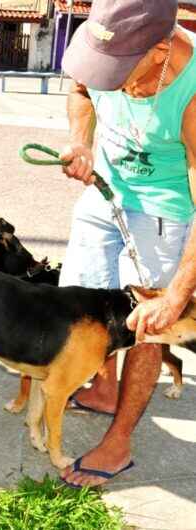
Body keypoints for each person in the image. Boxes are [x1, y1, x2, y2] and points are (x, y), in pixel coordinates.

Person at [58, 0, 196, 487]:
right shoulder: (103, 46)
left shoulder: (194, 88)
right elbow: (78, 88)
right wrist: (80, 141)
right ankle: (104, 389)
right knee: (87, 301)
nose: (107, 78)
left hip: (166, 210)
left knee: (146, 327)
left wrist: (177, 295)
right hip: (105, 190)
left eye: (120, 70)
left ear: (160, 49)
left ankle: (119, 443)